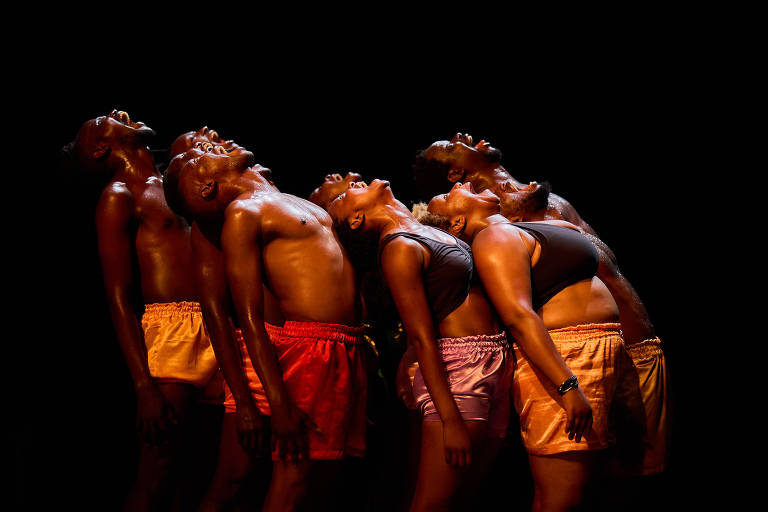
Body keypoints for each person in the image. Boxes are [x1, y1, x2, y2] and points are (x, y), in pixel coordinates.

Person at [417, 133, 670, 477]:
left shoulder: (527, 203)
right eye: (449, 145)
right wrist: (566, 384)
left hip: (626, 350)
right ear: (452, 177)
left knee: (630, 472)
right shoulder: (497, 227)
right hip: (577, 356)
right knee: (578, 485)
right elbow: (516, 312)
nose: (462, 137)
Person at [328, 179, 581, 511]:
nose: (355, 184)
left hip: (495, 362)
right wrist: (449, 420)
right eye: (347, 197)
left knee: (465, 496)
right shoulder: (398, 247)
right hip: (458, 370)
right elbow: (421, 335)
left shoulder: (430, 232)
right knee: (433, 501)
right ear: (357, 218)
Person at [163, 142, 367, 512]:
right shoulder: (242, 215)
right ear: (206, 188)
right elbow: (244, 316)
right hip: (299, 350)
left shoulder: (289, 201)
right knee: (278, 478)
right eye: (195, 160)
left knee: (323, 479)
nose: (207, 146)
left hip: (339, 348)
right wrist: (265, 401)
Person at [427, 181, 628, 511]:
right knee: (561, 496)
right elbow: (519, 316)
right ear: (459, 221)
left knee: (580, 491)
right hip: (566, 361)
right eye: (449, 194)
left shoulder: (514, 230)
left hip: (592, 354)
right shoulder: (493, 239)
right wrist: (567, 385)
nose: (460, 184)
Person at [64, 110, 221, 510]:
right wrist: (142, 387)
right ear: (101, 149)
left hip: (221, 323)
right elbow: (117, 297)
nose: (118, 113)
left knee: (213, 470)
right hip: (172, 334)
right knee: (158, 470)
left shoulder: (183, 178)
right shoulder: (120, 196)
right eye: (100, 123)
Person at [165, 139, 274, 510]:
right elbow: (215, 313)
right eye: (195, 154)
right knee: (233, 477)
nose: (209, 143)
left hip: (297, 346)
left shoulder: (258, 196)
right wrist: (243, 401)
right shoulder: (212, 224)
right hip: (258, 354)